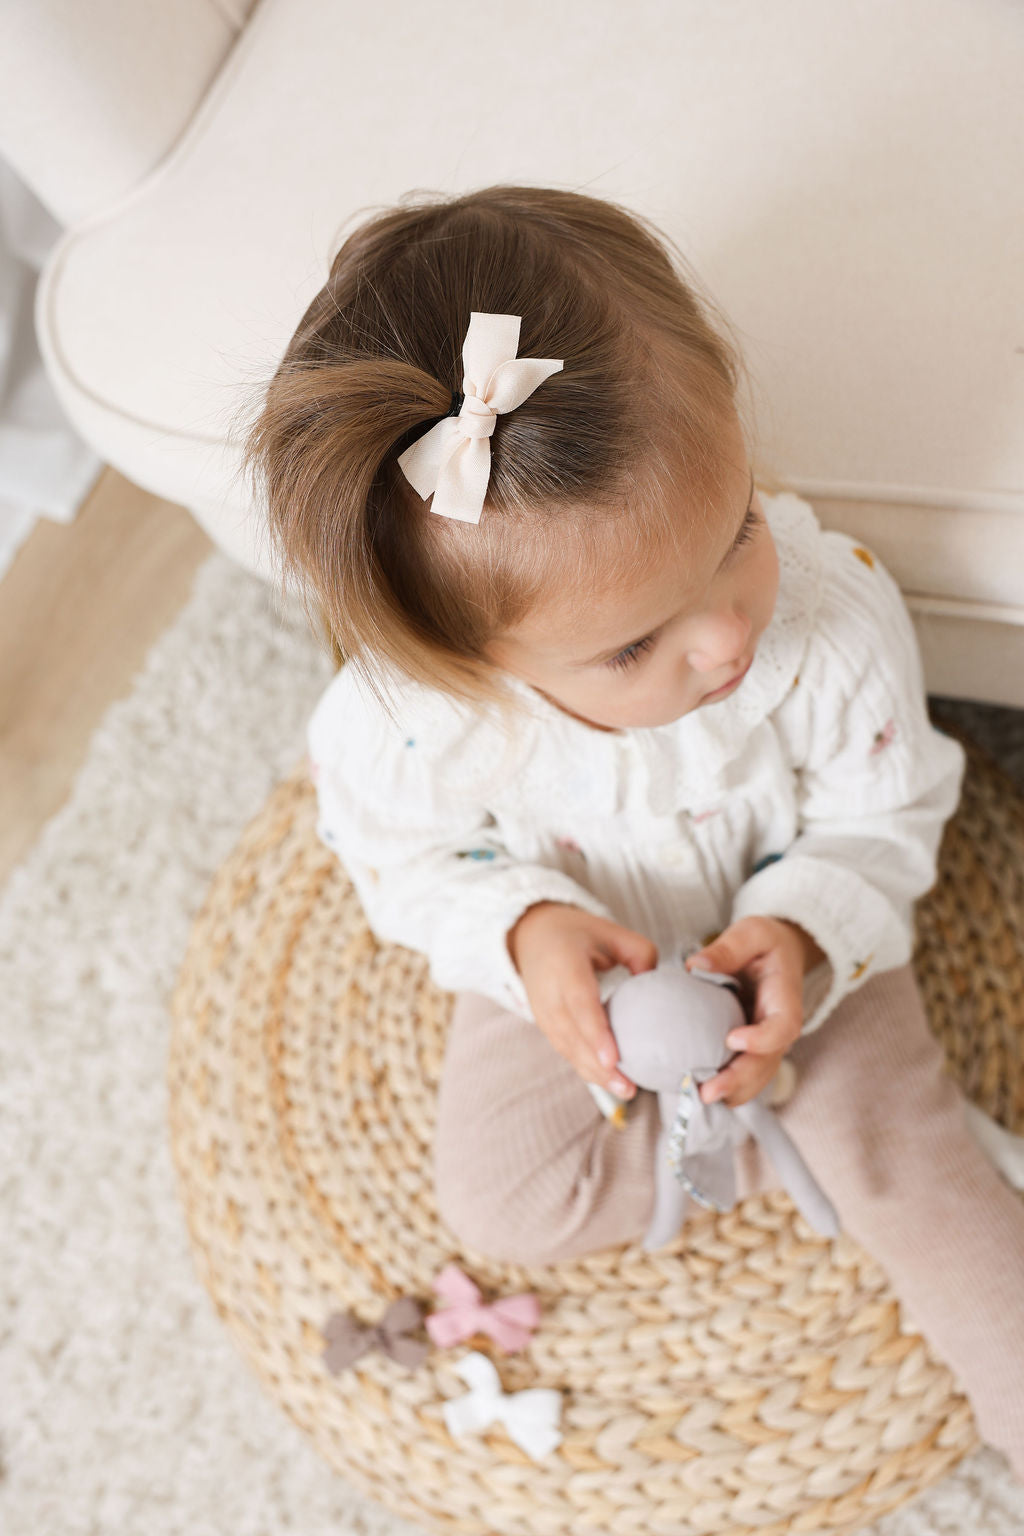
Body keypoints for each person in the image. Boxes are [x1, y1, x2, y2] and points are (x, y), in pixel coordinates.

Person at [239, 184, 1024, 1480]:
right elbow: (404, 865)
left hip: (785, 936)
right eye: (634, 645)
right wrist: (525, 933)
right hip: (575, 972)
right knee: (497, 1199)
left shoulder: (828, 618)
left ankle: (856, 1153)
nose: (727, 638)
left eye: (739, 534)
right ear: (474, 658)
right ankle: (761, 1141)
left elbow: (886, 811)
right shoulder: (417, 723)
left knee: (918, 1178)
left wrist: (810, 933)